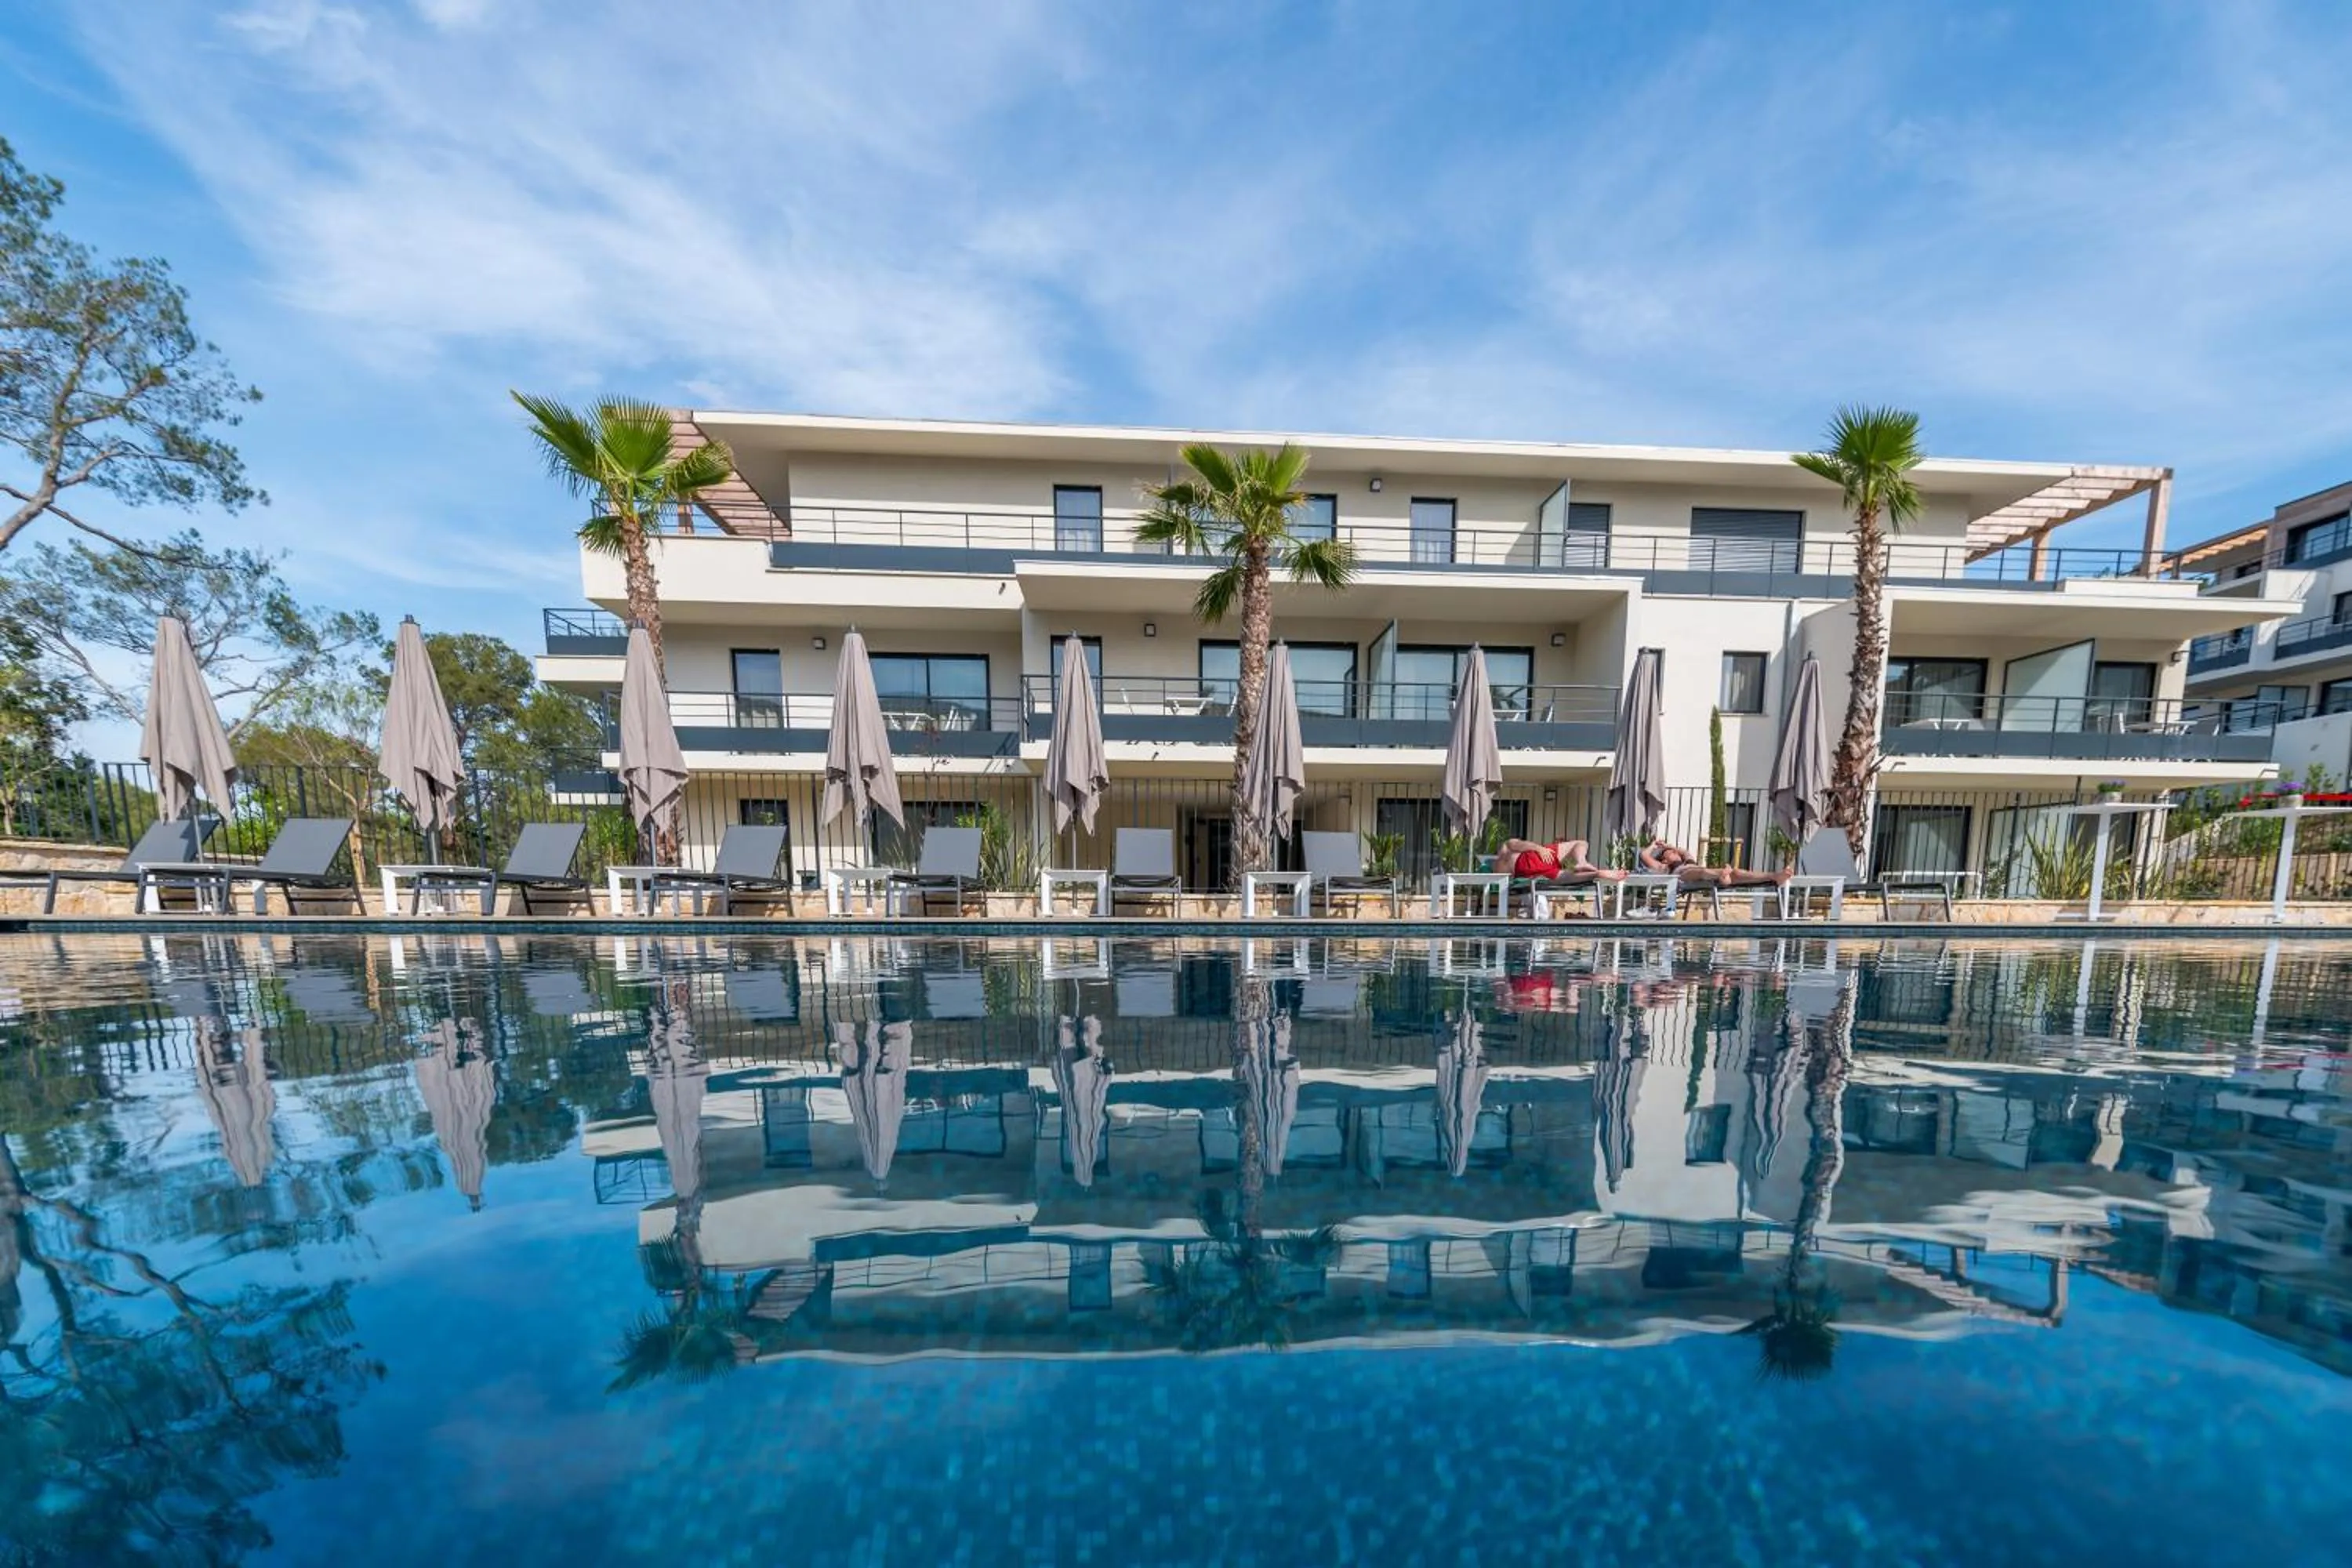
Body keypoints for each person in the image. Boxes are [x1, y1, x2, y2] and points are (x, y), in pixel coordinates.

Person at [1637, 838, 1791, 888]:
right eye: (1670, 853)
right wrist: (1654, 845)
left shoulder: (1688, 860)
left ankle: (1775, 876)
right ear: (1664, 859)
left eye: (1675, 851)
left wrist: (1670, 846)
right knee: (1701, 872)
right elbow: (1644, 854)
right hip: (1681, 877)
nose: (1675, 853)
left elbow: (1684, 851)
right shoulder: (1664, 867)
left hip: (1704, 873)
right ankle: (1722, 874)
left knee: (1736, 872)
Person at [1493, 837, 1624, 883]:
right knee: (1580, 843)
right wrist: (1539, 848)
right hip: (1531, 860)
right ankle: (1581, 861)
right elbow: (1519, 844)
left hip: (1527, 875)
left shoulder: (1496, 868)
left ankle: (1597, 873)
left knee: (1564, 876)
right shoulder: (1507, 847)